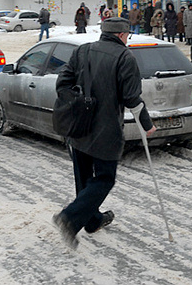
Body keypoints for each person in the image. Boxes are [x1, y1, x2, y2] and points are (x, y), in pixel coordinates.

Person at [53, 17, 156, 249]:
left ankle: (91, 220)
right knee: (104, 178)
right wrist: (147, 125)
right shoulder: (124, 57)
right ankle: (69, 217)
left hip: (79, 126)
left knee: (83, 177)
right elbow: (132, 98)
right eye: (127, 35)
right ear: (121, 35)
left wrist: (78, 103)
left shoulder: (82, 51)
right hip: (106, 129)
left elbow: (62, 84)